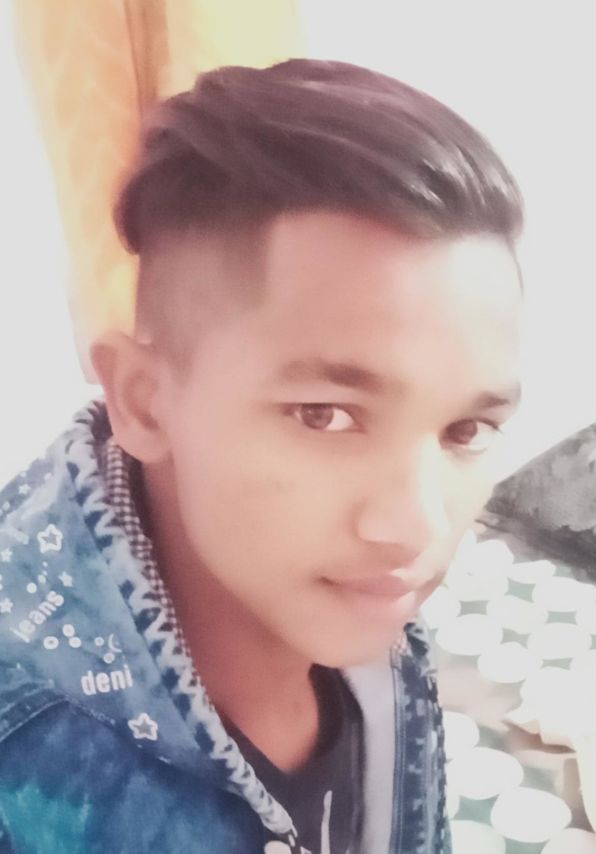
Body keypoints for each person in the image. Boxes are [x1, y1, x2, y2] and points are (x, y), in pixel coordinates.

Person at [0, 59, 523, 854]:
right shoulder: (27, 762)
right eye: (325, 416)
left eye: (464, 431)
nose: (415, 528)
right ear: (143, 401)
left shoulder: (352, 596)